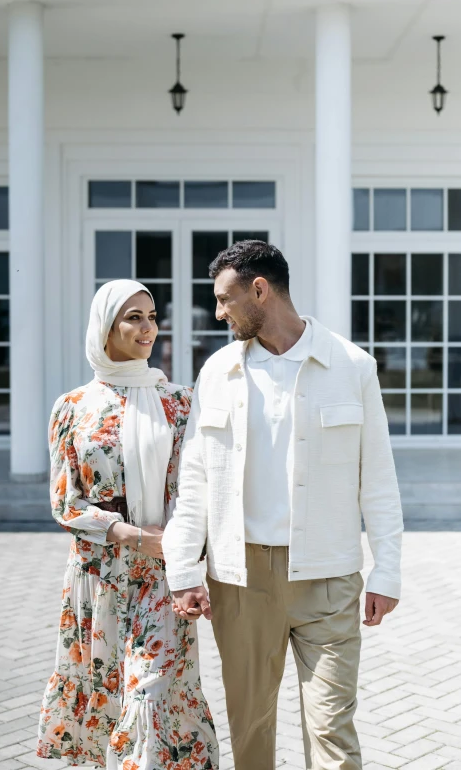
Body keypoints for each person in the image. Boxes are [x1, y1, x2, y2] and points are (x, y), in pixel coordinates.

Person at [163, 241, 404, 770]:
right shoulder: (218, 372)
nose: (219, 313)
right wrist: (181, 568)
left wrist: (387, 570)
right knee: (250, 728)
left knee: (332, 729)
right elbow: (196, 479)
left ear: (259, 290)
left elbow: (378, 479)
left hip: (329, 578)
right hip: (241, 577)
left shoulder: (352, 366)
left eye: (225, 300)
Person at [37, 280, 218, 769]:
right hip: (99, 577)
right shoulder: (72, 407)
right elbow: (63, 501)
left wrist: (182, 552)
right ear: (105, 327)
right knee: (108, 696)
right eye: (133, 317)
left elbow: (190, 487)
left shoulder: (179, 403)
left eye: (152, 316)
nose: (147, 328)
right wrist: (126, 533)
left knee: (151, 694)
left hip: (161, 574)